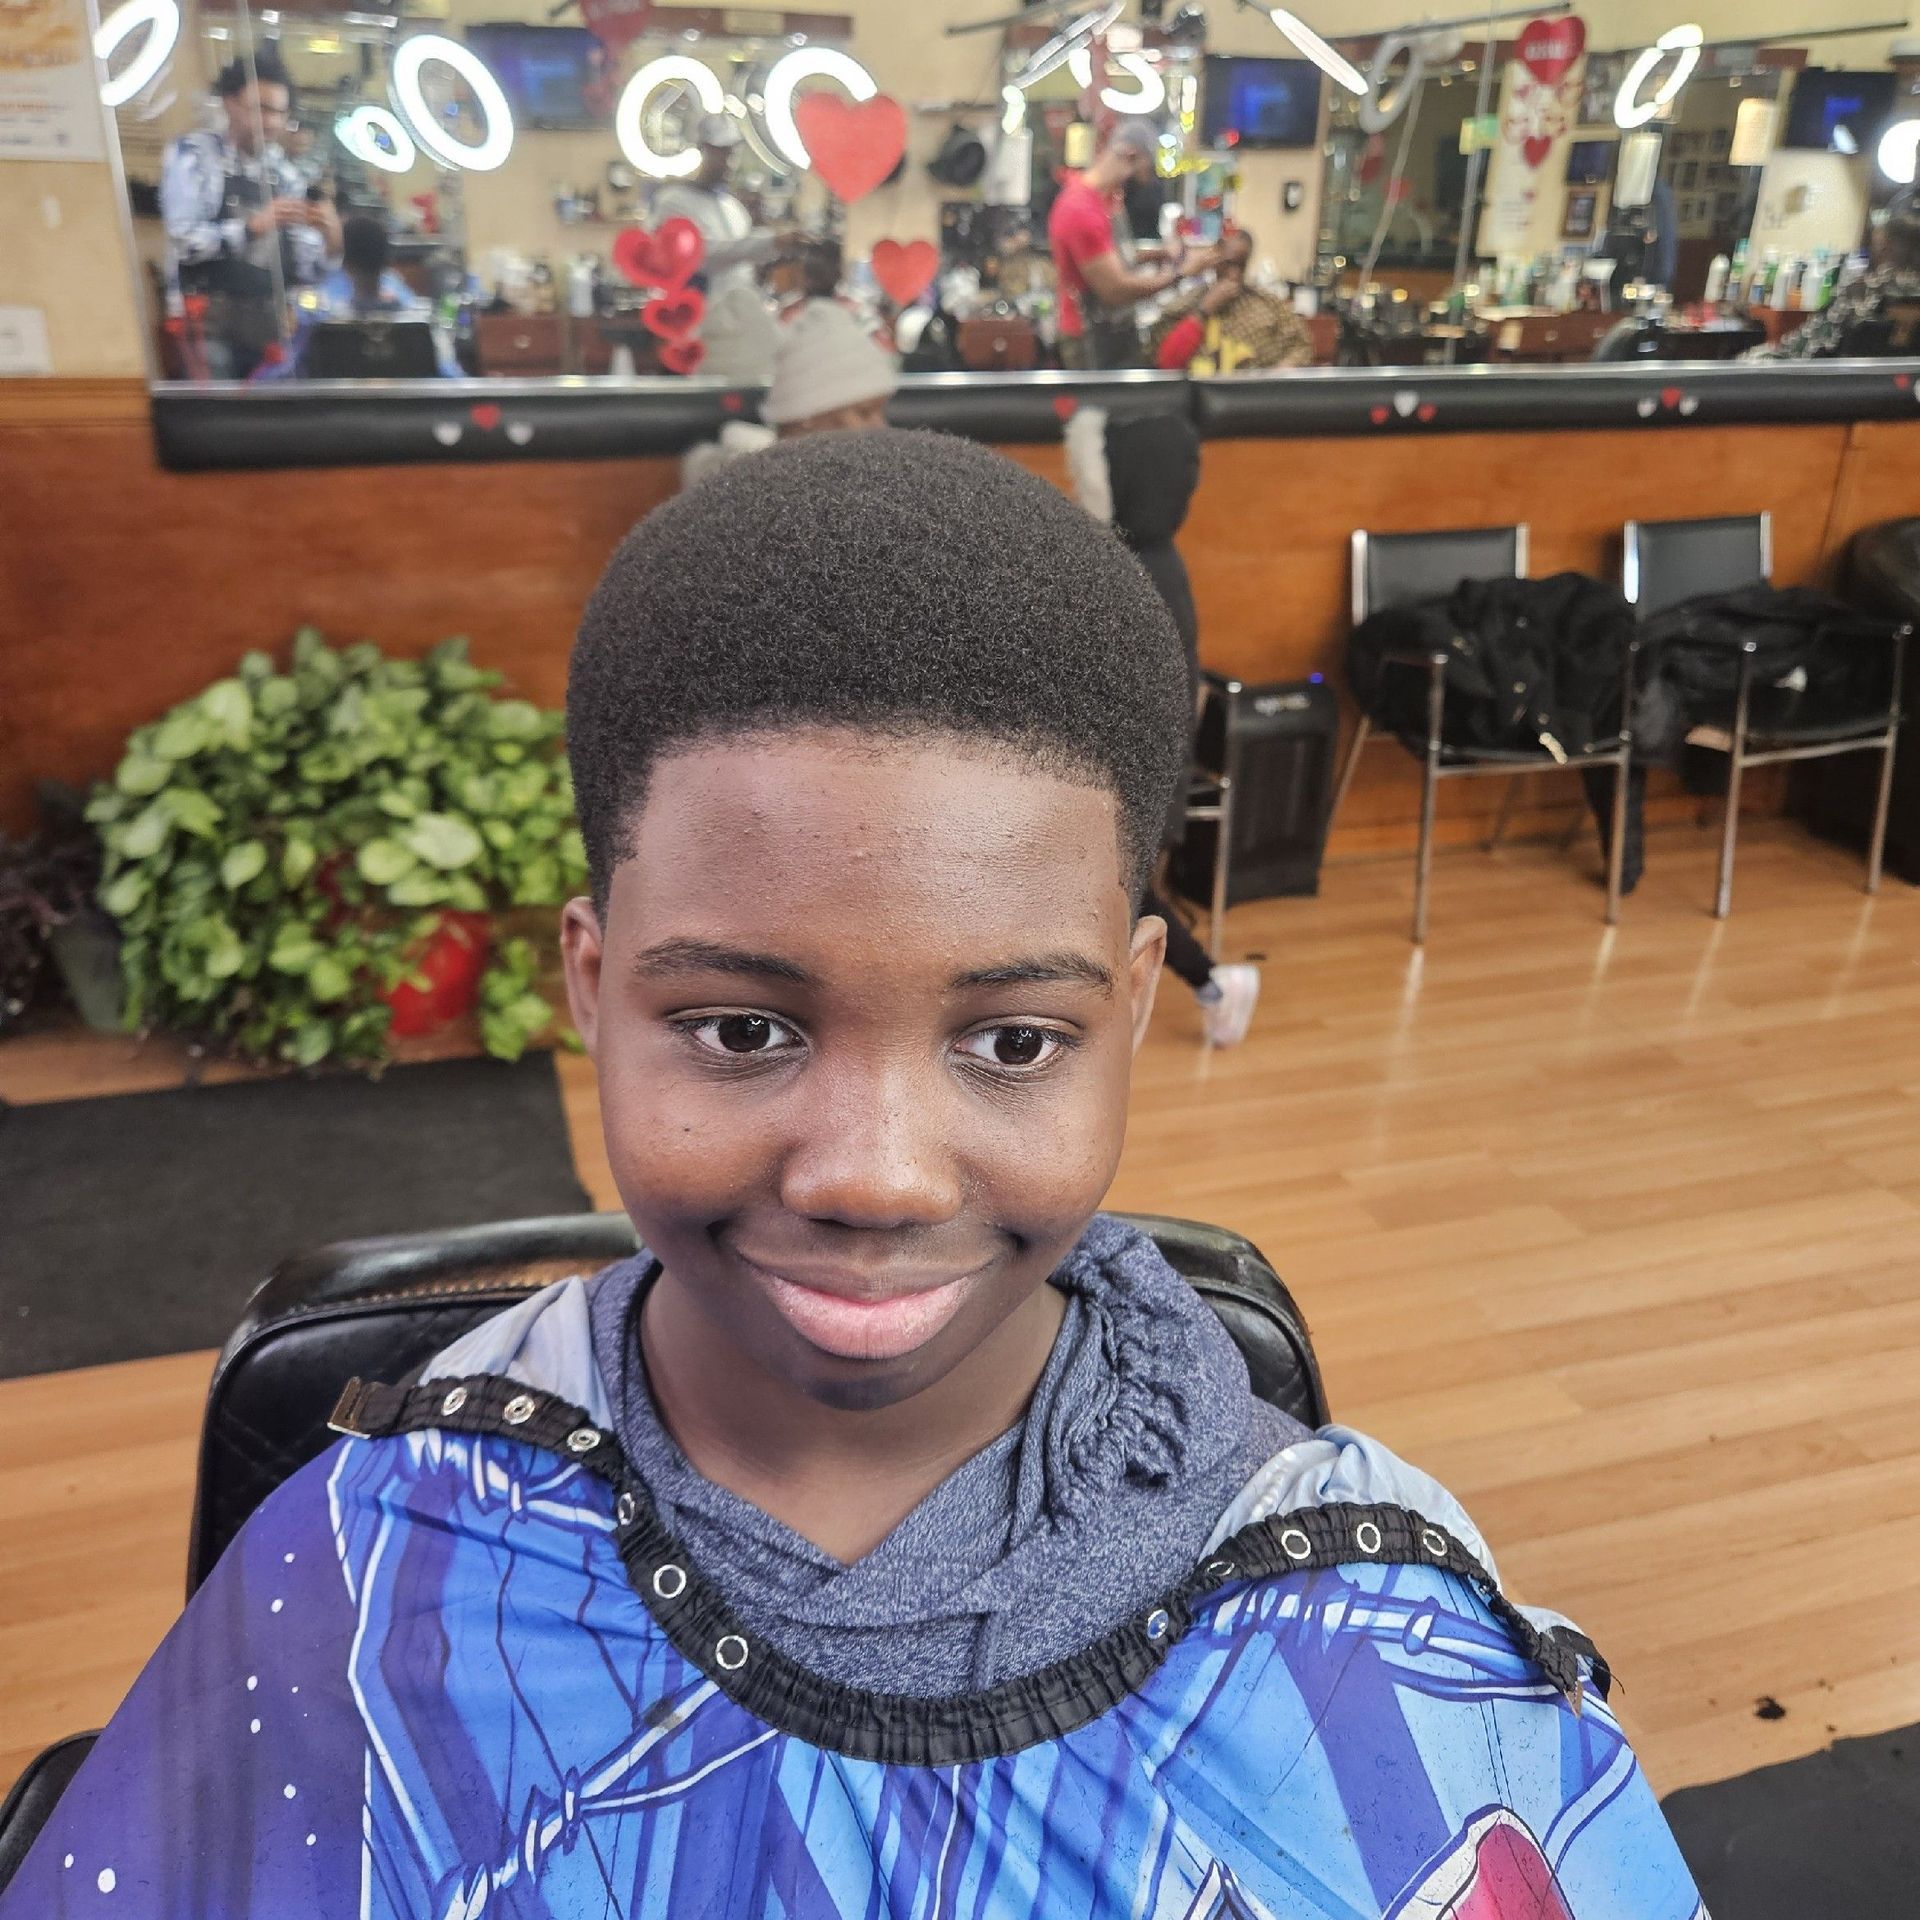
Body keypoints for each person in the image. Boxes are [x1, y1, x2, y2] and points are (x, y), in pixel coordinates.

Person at [2, 430, 1705, 1918]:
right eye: (741, 1030)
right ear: (592, 985)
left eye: (1013, 1043)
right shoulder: (382, 1560)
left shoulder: (1365, 1614)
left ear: (1130, 1006)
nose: (878, 1178)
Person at [1067, 404, 1260, 1044]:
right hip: (1131, 762)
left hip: (1137, 768)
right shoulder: (1147, 562)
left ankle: (1210, 982)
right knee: (1117, 893)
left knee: (1119, 893)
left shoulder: (1137, 573)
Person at [159, 51, 341, 379]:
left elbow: (305, 270)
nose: (271, 122)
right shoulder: (195, 155)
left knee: (272, 427)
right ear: (230, 103)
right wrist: (253, 227)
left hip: (270, 327)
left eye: (280, 113)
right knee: (220, 426)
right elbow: (185, 242)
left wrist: (331, 241)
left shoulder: (285, 175)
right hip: (208, 326)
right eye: (261, 109)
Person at [1047, 117, 1207, 369]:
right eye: (1144, 172)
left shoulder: (1099, 200)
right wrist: (1179, 273)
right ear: (1130, 156)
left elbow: (1114, 256)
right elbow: (1114, 290)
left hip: (1109, 331)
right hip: (1091, 340)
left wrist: (1160, 254)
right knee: (1103, 407)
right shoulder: (1081, 211)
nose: (1141, 184)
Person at [682, 300, 897, 483]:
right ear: (808, 415)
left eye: (880, 412)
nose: (881, 426)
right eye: (865, 413)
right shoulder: (758, 489)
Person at [651, 110, 780, 381]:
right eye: (720, 152)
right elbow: (702, 257)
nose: (728, 161)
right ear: (703, 150)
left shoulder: (733, 208)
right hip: (698, 325)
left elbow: (743, 268)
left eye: (731, 153)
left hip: (738, 325)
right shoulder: (673, 202)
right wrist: (770, 242)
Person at [259, 213, 461, 380]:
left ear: (345, 262)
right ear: (388, 260)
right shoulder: (419, 319)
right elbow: (452, 377)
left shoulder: (318, 317)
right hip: (409, 423)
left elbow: (284, 375)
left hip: (336, 423)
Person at [1748, 191, 1920, 360]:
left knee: (1754, 357)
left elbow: (1809, 344)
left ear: (1884, 246)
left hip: (1824, 375)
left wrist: (1763, 356)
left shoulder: (1861, 290)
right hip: (1893, 376)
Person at [1151, 227, 1313, 375]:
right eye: (1228, 264)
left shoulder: (1268, 304)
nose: (1234, 275)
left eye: (1241, 266)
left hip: (1258, 397)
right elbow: (1167, 363)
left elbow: (1301, 346)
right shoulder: (1186, 305)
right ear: (1215, 258)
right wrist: (1205, 309)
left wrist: (1280, 373)